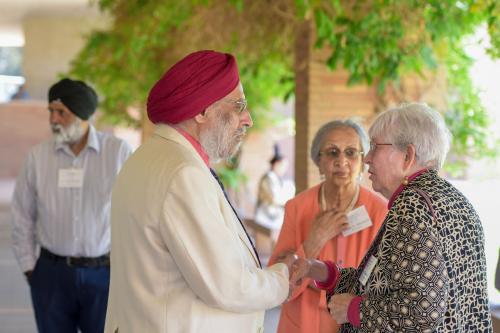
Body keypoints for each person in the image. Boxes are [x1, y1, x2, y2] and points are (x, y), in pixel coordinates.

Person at [104, 50, 296, 333]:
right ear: (203, 111)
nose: (247, 119)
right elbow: (228, 286)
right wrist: (283, 279)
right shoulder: (183, 174)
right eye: (239, 105)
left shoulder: (147, 158)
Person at [293, 103, 493, 332]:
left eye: (375, 147)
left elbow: (423, 310)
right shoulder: (452, 198)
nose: (367, 158)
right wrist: (323, 272)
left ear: (407, 156)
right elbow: (384, 285)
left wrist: (354, 310)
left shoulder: (412, 208)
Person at [10, 78, 133, 333]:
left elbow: (135, 213)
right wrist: (30, 269)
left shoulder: (118, 153)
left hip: (104, 275)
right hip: (50, 276)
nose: (53, 119)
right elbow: (22, 215)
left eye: (61, 112)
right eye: (51, 112)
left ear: (82, 113)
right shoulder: (37, 157)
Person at [268, 119, 388, 333]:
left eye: (351, 153)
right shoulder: (297, 207)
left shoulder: (380, 211)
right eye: (332, 152)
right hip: (302, 323)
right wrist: (314, 241)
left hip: (355, 325)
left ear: (362, 161)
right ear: (318, 160)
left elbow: (385, 287)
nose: (342, 161)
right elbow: (277, 285)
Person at [254, 143, 295, 241]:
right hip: (266, 216)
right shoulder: (268, 178)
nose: (285, 169)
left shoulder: (275, 178)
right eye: (284, 165)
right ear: (276, 164)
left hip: (271, 215)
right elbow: (273, 199)